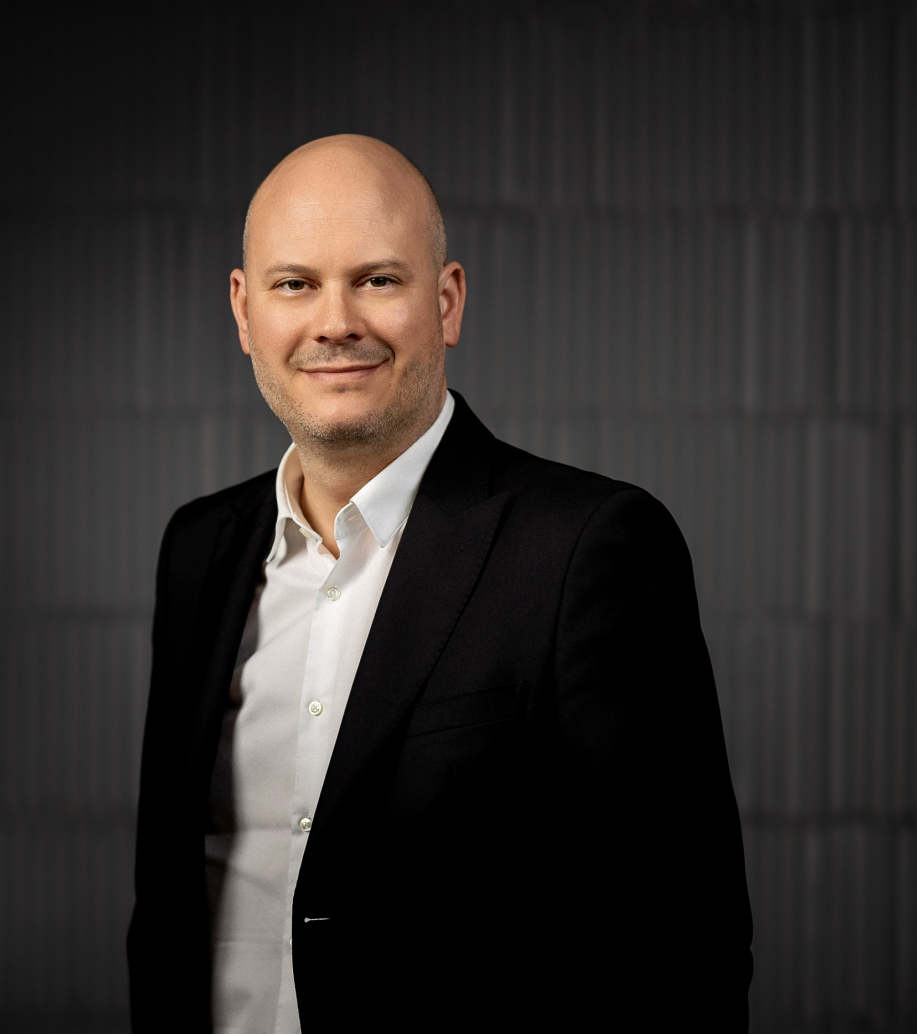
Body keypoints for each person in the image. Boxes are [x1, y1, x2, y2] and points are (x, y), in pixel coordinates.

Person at [127, 134, 752, 1033]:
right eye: (294, 284)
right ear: (243, 312)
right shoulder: (199, 551)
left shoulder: (587, 547)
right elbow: (167, 911)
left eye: (377, 280)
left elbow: (678, 950)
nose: (334, 321)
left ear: (447, 301)